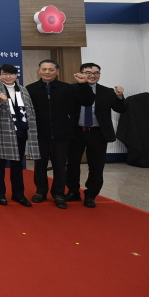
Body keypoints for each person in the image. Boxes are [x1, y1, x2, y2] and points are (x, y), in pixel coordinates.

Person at [26, 60, 94, 209]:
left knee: (60, 166)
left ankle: (58, 194)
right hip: (40, 135)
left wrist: (83, 84)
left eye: (51, 70)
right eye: (44, 69)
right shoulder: (30, 89)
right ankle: (40, 192)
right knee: (40, 165)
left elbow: (87, 101)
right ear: (39, 71)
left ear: (57, 72)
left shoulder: (68, 88)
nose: (47, 72)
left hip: (62, 135)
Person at [64, 63, 126, 208]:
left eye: (96, 73)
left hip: (98, 133)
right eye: (88, 72)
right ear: (80, 74)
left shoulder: (107, 91)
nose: (92, 75)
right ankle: (73, 191)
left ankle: (91, 195)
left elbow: (120, 109)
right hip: (76, 132)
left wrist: (119, 96)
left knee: (96, 166)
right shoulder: (71, 89)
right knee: (72, 164)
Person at [0, 64, 39, 207]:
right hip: (2, 133)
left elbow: (30, 110)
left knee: (17, 165)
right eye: (4, 74)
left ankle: (18, 194)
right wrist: (0, 101)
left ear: (16, 75)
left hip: (21, 132)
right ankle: (1, 194)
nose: (8, 77)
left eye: (11, 74)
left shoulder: (23, 90)